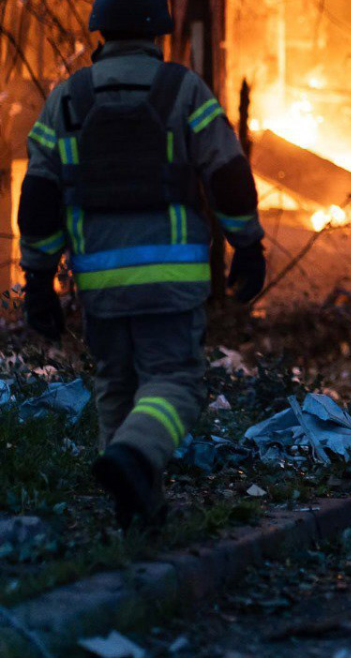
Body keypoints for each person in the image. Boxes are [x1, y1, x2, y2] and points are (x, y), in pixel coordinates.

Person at [18, 0, 266, 528]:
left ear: (100, 29)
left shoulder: (68, 98)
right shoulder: (182, 90)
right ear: (159, 28)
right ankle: (133, 457)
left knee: (116, 385)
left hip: (100, 282)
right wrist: (246, 243)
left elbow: (39, 192)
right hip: (170, 281)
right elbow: (226, 171)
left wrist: (38, 279)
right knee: (175, 382)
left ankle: (137, 507)